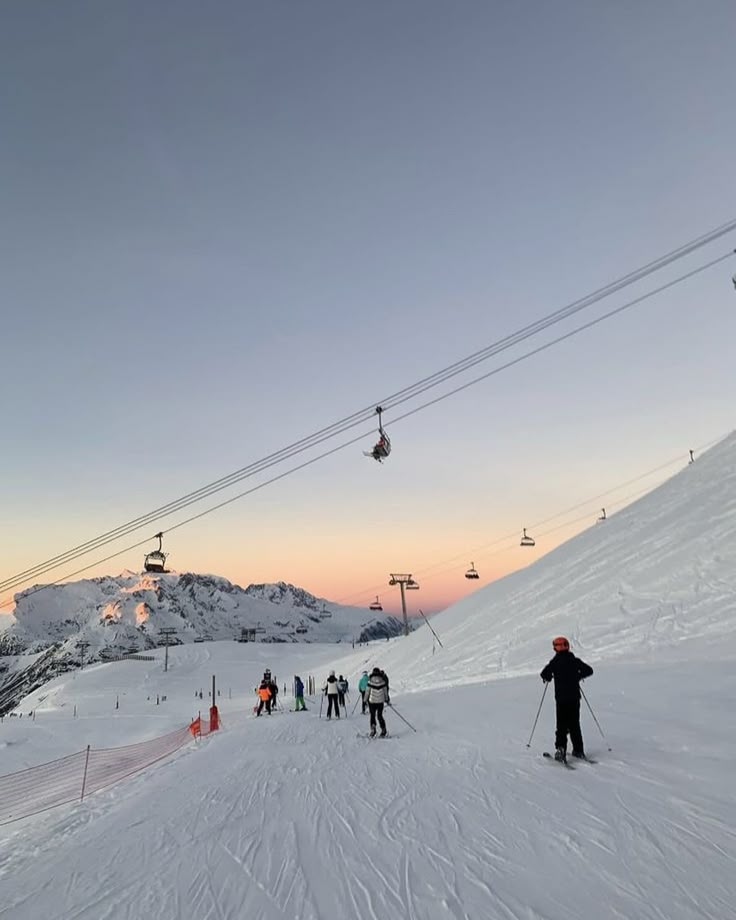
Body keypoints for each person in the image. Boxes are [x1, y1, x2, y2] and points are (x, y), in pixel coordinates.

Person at [540, 636, 593, 761]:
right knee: (575, 724)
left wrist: (548, 677)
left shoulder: (555, 662)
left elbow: (544, 674)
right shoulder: (574, 660)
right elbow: (589, 670)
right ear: (567, 646)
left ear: (555, 648)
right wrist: (577, 676)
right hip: (575, 698)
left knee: (562, 725)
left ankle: (561, 750)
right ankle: (578, 750)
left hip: (561, 699)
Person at [366, 666, 390, 737]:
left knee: (372, 715)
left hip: (372, 701)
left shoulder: (370, 681)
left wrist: (365, 700)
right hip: (380, 702)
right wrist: (387, 699)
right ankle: (383, 730)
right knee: (380, 716)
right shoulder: (383, 681)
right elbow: (385, 692)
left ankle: (373, 729)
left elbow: (367, 692)